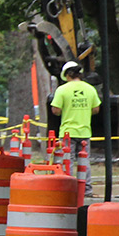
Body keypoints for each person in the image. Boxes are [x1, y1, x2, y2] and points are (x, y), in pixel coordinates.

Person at [50, 60, 101, 195]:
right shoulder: (90, 89)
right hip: (85, 131)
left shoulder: (62, 90)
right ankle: (86, 189)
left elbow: (55, 110)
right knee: (84, 161)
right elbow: (96, 109)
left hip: (67, 132)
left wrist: (67, 109)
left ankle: (68, 189)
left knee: (67, 160)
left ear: (67, 75)